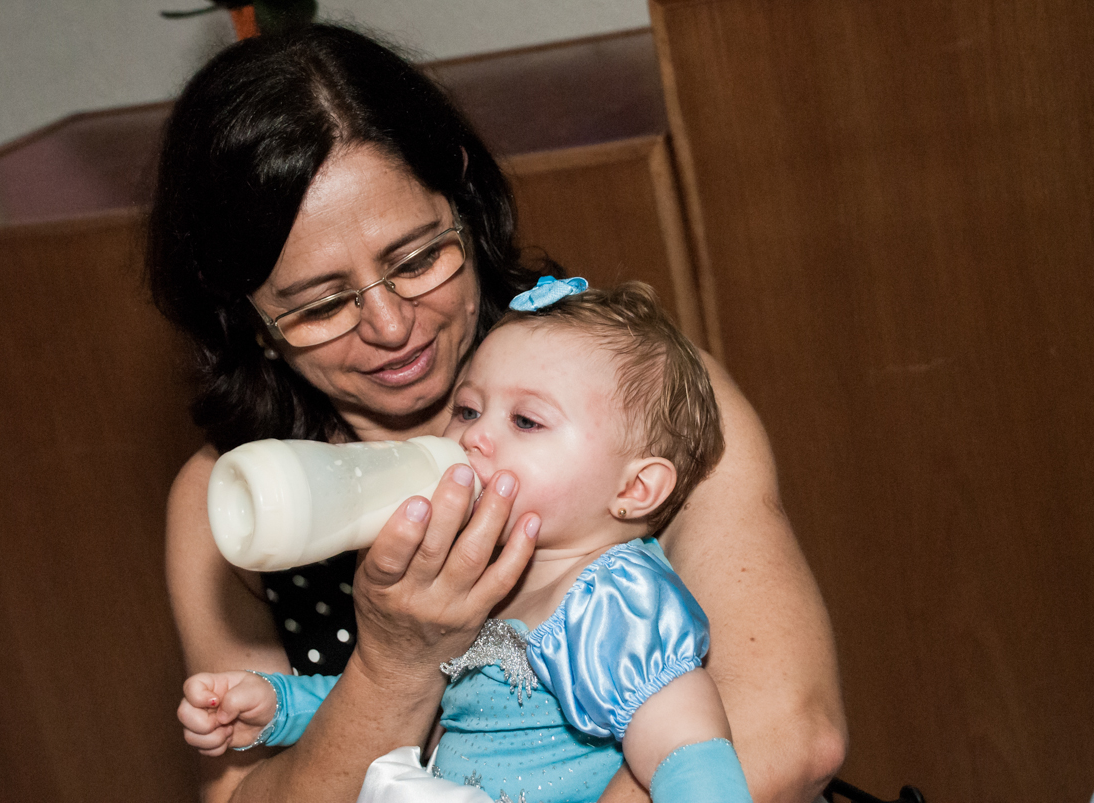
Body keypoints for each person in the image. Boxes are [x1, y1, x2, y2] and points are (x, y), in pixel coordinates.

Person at [147, 21, 846, 803]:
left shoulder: (630, 400)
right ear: (246, 318)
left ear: (462, 195)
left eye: (417, 258)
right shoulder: (233, 504)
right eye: (320, 306)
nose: (389, 325)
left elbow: (788, 728)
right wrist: (393, 666)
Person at [178, 281, 755, 803]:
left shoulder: (610, 600)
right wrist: (279, 706)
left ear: (635, 487)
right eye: (468, 408)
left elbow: (691, 756)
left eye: (525, 421)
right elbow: (411, 707)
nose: (475, 436)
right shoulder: (468, 578)